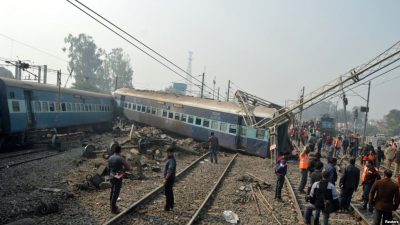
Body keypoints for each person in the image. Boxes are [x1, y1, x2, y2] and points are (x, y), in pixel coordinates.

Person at [108, 145, 132, 214]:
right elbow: (128, 167)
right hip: (118, 176)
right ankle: (113, 209)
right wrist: (123, 169)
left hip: (111, 176)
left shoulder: (110, 157)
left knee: (112, 190)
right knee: (116, 192)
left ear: (114, 150)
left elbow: (108, 168)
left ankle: (112, 206)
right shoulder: (120, 158)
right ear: (120, 151)